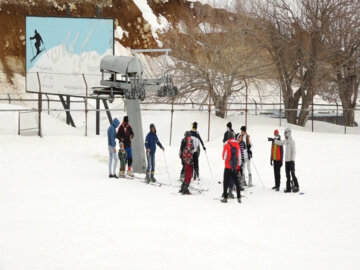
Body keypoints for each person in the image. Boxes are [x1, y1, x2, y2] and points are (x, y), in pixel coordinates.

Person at [274, 128, 299, 193]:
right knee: (287, 175)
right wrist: (274, 140)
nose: (284, 135)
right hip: (286, 161)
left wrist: (293, 160)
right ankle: (288, 188)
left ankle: (296, 186)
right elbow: (280, 143)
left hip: (291, 161)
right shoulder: (285, 141)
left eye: (285, 133)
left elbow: (294, 152)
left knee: (293, 174)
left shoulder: (292, 142)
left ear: (288, 133)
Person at [221, 132, 242, 203]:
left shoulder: (227, 145)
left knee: (225, 182)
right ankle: (239, 197)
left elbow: (224, 157)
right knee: (236, 182)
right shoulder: (237, 144)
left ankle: (225, 198)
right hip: (235, 167)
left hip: (227, 166)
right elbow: (239, 156)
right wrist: (238, 165)